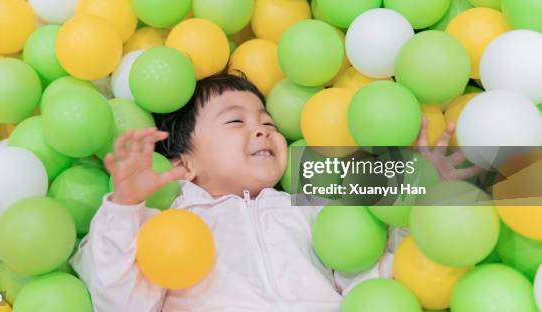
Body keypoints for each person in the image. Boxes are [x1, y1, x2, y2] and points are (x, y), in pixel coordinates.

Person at [70, 74, 479, 311]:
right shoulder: (167, 225)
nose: (262, 129)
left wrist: (422, 196)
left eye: (267, 121)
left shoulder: (312, 210)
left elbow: (373, 278)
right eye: (235, 122)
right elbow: (117, 297)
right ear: (185, 165)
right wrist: (124, 206)